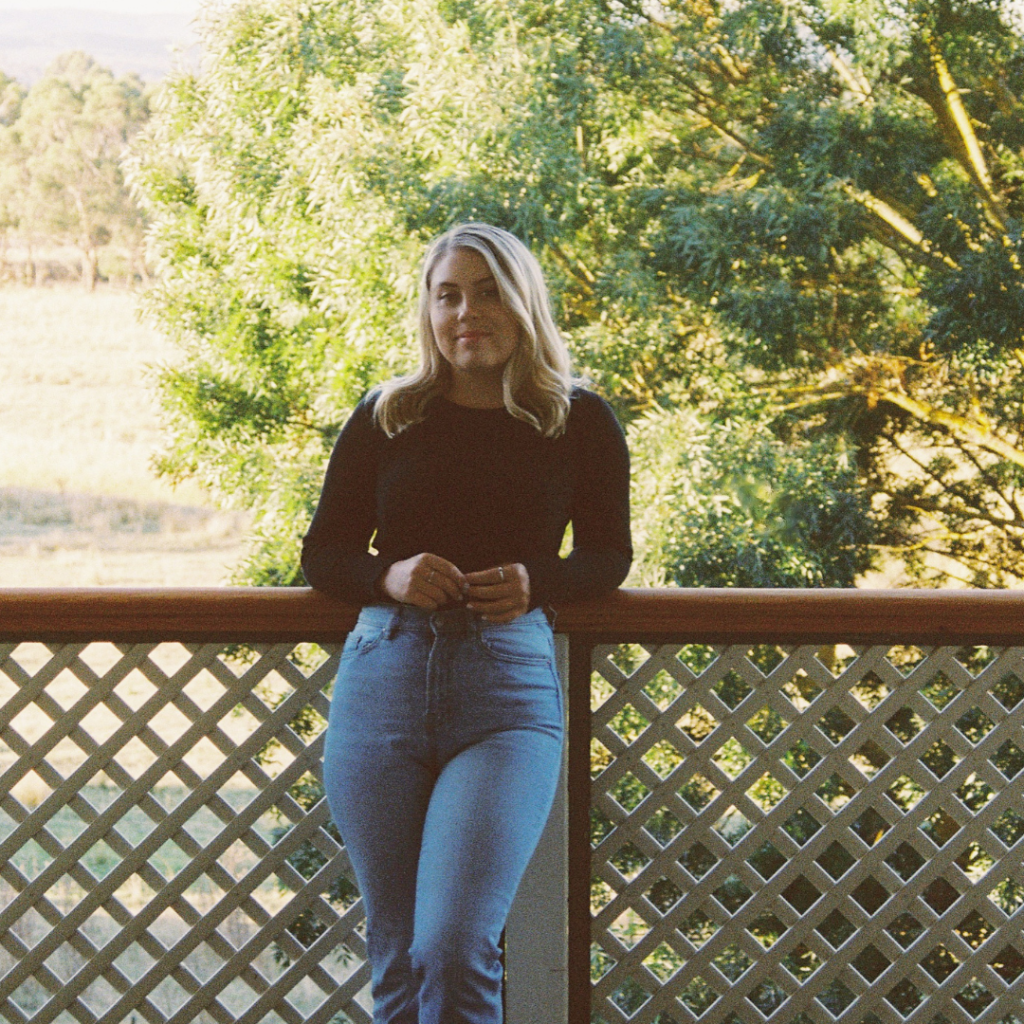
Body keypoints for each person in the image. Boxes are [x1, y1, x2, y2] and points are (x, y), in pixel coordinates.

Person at [302, 222, 632, 1023]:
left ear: (523, 303)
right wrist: (387, 576)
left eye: (487, 293)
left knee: (452, 946)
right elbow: (324, 552)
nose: (465, 313)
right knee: (396, 953)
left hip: (505, 695)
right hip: (382, 681)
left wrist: (537, 582)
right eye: (447, 295)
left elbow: (608, 555)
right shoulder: (387, 414)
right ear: (428, 309)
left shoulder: (576, 418)